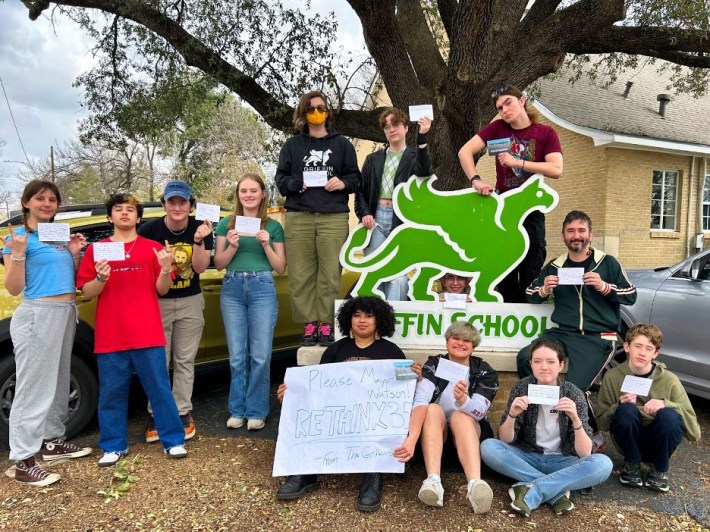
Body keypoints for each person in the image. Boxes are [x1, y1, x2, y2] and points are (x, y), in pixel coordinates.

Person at [77, 193, 187, 466]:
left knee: (160, 388)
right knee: (111, 392)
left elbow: (162, 290)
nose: (124, 213)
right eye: (118, 209)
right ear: (110, 216)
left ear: (138, 217)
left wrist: (164, 269)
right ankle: (113, 446)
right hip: (111, 334)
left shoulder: (152, 248)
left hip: (147, 332)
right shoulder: (96, 250)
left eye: (130, 210)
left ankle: (173, 440)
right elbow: (88, 292)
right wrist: (101, 277)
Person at [275, 296, 408, 512]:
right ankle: (304, 473)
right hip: (337, 414)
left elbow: (402, 391)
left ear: (379, 320)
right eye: (357, 315)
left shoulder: (391, 352)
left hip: (371, 416)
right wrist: (291, 393)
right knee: (308, 413)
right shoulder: (336, 350)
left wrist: (414, 375)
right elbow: (315, 387)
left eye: (368, 315)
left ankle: (373, 477)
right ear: (349, 320)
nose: (362, 320)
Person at [3, 180, 92, 486]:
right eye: (40, 198)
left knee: (57, 379)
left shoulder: (56, 236)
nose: (47, 203)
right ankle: (23, 461)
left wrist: (75, 254)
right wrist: (16, 253)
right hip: (37, 315)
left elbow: (64, 276)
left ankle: (52, 440)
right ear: (26, 202)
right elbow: (13, 288)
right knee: (33, 388)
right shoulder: (17, 238)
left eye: (52, 199)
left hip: (65, 313)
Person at [518, 210, 637, 440]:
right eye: (571, 231)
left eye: (581, 230)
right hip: (562, 334)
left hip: (598, 337)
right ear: (563, 236)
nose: (576, 235)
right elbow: (530, 292)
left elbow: (631, 294)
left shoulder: (607, 263)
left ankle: (591, 431)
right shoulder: (555, 265)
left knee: (573, 389)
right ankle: (539, 421)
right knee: (525, 357)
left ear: (590, 234)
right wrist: (544, 290)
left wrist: (604, 287)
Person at [480, 339, 613, 518]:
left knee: (603, 464)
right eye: (537, 361)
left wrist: (575, 419)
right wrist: (512, 415)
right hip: (527, 457)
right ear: (531, 365)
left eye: (550, 362)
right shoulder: (522, 387)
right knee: (488, 447)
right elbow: (505, 440)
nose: (544, 367)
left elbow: (585, 453)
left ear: (561, 365)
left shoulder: (573, 393)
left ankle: (531, 489)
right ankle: (556, 492)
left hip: (563, 461)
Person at [458, 84, 563, 303]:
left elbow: (556, 169)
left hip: (530, 213)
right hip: (503, 209)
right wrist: (475, 180)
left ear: (521, 101)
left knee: (530, 271)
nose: (505, 110)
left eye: (508, 103)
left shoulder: (545, 133)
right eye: (500, 107)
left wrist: (519, 162)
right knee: (503, 271)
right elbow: (464, 151)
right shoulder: (497, 130)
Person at [275, 90, 361, 347]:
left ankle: (326, 323)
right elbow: (280, 179)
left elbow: (356, 178)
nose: (316, 112)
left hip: (332, 216)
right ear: (303, 113)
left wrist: (341, 182)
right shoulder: (292, 146)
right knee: (301, 274)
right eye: (311, 108)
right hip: (299, 215)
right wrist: (294, 183)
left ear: (328, 112)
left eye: (321, 107)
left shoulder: (342, 144)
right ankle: (309, 323)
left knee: (330, 273)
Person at [394, 321, 498, 513]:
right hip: (436, 435)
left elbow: (480, 412)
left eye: (466, 340)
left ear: (473, 346)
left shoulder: (484, 370)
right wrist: (412, 438)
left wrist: (464, 401)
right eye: (455, 338)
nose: (460, 343)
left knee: (461, 415)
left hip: (469, 435)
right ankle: (433, 480)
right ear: (447, 342)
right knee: (432, 408)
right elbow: (421, 401)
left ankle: (475, 484)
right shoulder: (434, 364)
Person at [138, 180, 214, 443]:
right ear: (164, 205)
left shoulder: (201, 227)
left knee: (184, 360)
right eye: (172, 202)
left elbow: (202, 268)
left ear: (191, 205)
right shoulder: (149, 231)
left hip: (190, 300)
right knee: (158, 361)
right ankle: (156, 412)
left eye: (183, 202)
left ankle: (182, 411)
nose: (178, 207)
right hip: (157, 302)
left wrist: (199, 241)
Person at [214, 174, 286, 431]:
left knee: (260, 355)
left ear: (263, 194)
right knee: (236, 355)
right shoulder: (226, 224)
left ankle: (256, 410)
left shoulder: (273, 227)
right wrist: (232, 246)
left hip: (262, 287)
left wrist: (267, 245)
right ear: (238, 195)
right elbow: (219, 263)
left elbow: (280, 267)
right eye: (243, 190)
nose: (248, 194)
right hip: (232, 287)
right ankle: (237, 409)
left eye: (253, 190)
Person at [596, 324, 700, 492]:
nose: (642, 353)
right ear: (627, 347)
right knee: (626, 410)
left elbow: (695, 433)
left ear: (656, 353)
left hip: (660, 442)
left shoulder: (669, 380)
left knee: (669, 415)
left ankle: (660, 469)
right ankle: (632, 464)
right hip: (629, 442)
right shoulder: (613, 377)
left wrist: (666, 403)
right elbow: (601, 423)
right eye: (638, 346)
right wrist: (618, 405)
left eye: (649, 348)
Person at [355, 107, 433, 300]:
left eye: (396, 124)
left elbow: (424, 171)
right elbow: (361, 191)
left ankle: (392, 325)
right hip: (375, 221)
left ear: (406, 128)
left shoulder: (415, 157)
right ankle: (374, 326)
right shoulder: (372, 159)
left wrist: (422, 137)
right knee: (375, 274)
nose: (392, 129)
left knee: (398, 279)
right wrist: (364, 213)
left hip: (402, 222)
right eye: (387, 126)